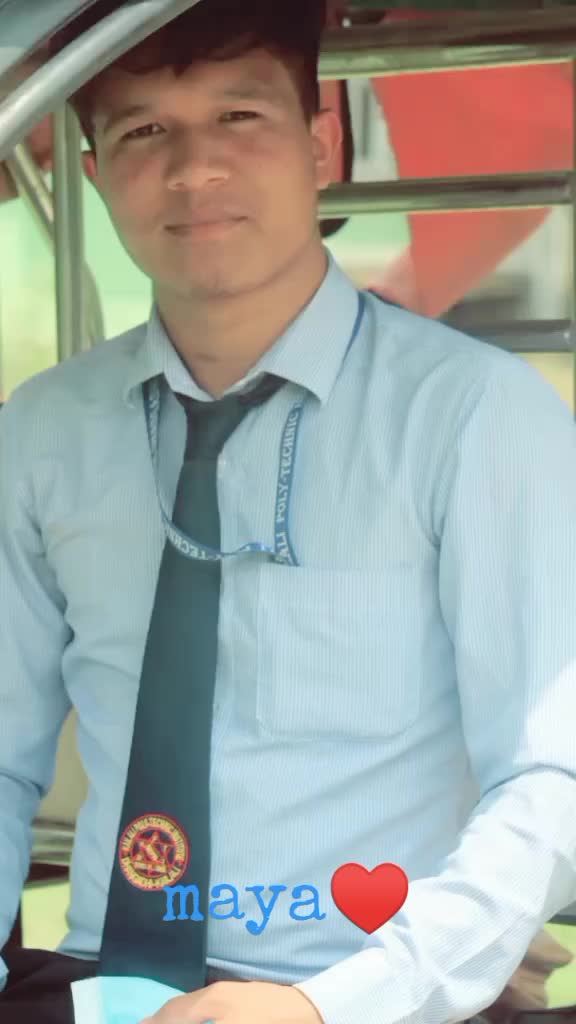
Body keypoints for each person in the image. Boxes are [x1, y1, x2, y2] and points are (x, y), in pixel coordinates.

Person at [0, 2, 576, 1023]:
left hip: (364, 985)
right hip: (96, 985)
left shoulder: (477, 416)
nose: (194, 169)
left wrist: (328, 1006)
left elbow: (550, 776)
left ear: (321, 142)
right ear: (93, 171)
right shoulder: (42, 430)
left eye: (240, 117)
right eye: (144, 130)